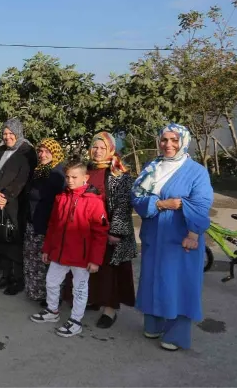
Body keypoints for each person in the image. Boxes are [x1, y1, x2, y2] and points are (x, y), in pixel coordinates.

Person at [132, 124, 213, 351]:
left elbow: (201, 204)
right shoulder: (152, 167)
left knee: (178, 283)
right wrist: (160, 204)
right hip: (153, 235)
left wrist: (193, 234)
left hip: (181, 237)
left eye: (174, 140)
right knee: (152, 279)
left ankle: (175, 334)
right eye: (164, 139)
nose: (168, 145)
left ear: (184, 141)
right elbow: (136, 197)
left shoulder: (196, 171)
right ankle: (153, 324)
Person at [30, 158, 108, 338]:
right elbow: (53, 225)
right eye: (67, 177)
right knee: (51, 282)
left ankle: (76, 320)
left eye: (74, 177)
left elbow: (100, 232)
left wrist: (95, 260)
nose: (70, 180)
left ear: (85, 178)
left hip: (81, 256)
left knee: (79, 288)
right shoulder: (61, 198)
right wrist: (47, 249)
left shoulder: (94, 201)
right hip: (59, 253)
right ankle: (52, 311)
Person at [87, 132, 137, 329]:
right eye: (95, 147)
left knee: (110, 271)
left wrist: (115, 232)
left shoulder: (119, 173)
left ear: (111, 150)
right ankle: (96, 299)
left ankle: (110, 309)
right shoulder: (88, 169)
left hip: (110, 232)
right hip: (89, 231)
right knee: (93, 268)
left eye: (102, 148)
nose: (98, 151)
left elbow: (124, 205)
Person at [0, 118, 36, 295]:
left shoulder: (27, 151)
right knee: (1, 240)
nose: (7, 137)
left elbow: (24, 178)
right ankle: (5, 276)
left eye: (10, 133)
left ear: (18, 133)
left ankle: (18, 280)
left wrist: (5, 196)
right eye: (5, 133)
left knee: (15, 241)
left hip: (16, 205)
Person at [24, 138, 65, 304]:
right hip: (33, 221)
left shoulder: (58, 173)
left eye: (47, 151)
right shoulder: (39, 170)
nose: (42, 154)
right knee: (34, 260)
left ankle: (51, 297)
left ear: (54, 152)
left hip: (47, 224)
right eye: (40, 151)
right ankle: (37, 293)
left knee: (47, 262)